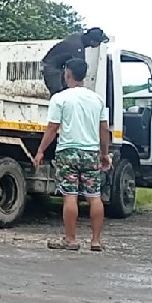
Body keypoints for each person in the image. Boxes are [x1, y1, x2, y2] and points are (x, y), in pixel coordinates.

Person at [33, 58, 111, 252]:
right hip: (91, 152)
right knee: (94, 197)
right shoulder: (97, 100)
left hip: (68, 152)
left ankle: (71, 239)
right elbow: (103, 129)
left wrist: (41, 150)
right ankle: (95, 241)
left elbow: (52, 128)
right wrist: (104, 154)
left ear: (67, 73)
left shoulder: (60, 98)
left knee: (70, 196)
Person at [41, 27, 109, 97]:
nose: (99, 44)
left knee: (67, 90)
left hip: (56, 65)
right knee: (59, 94)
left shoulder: (78, 37)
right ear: (93, 41)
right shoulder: (77, 47)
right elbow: (79, 70)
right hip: (51, 66)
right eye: (99, 42)